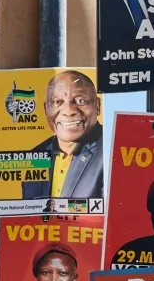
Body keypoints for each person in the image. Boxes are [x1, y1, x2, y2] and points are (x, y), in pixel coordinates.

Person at [20, 71, 104, 210]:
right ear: (46, 109)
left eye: (80, 101)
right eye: (57, 102)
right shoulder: (36, 155)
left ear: (97, 105)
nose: (68, 111)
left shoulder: (112, 150)